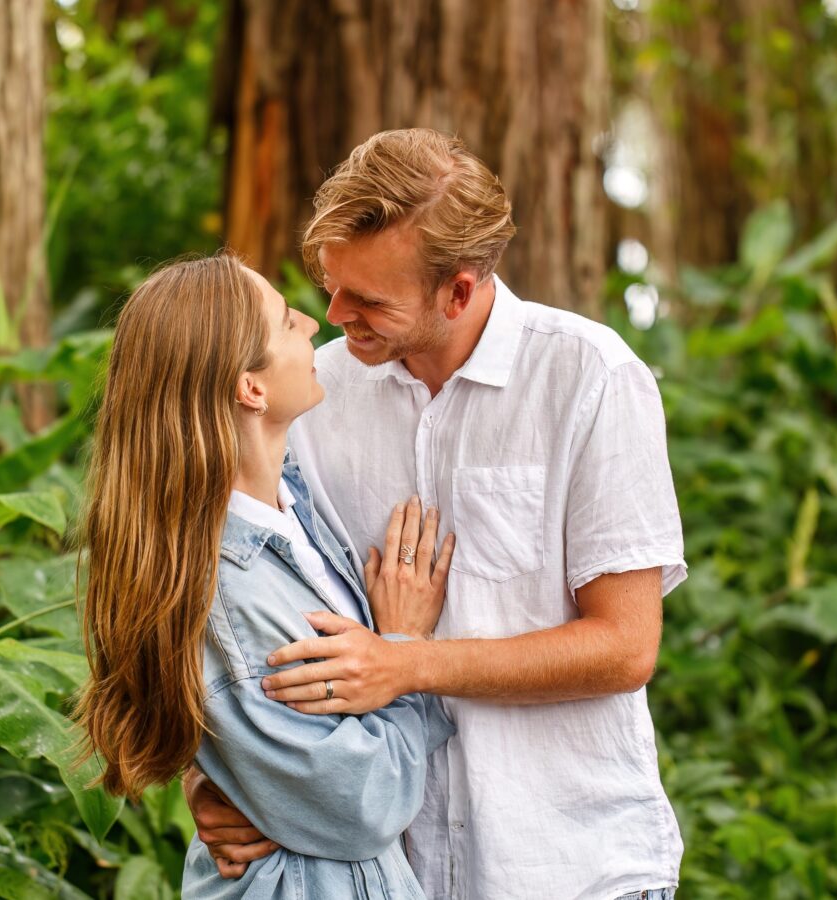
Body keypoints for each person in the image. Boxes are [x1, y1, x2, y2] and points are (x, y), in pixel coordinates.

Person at [185, 129, 687, 900]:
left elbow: (625, 647)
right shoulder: (309, 394)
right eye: (331, 284)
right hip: (387, 872)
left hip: (567, 866)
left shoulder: (590, 379)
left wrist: (406, 661)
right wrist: (219, 778)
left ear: (459, 289)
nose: (333, 314)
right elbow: (240, 595)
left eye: (369, 299)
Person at [76, 252, 459, 899]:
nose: (313, 323)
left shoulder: (295, 508)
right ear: (250, 388)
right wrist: (404, 651)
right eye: (286, 322)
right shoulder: (228, 592)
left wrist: (227, 778)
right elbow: (360, 803)